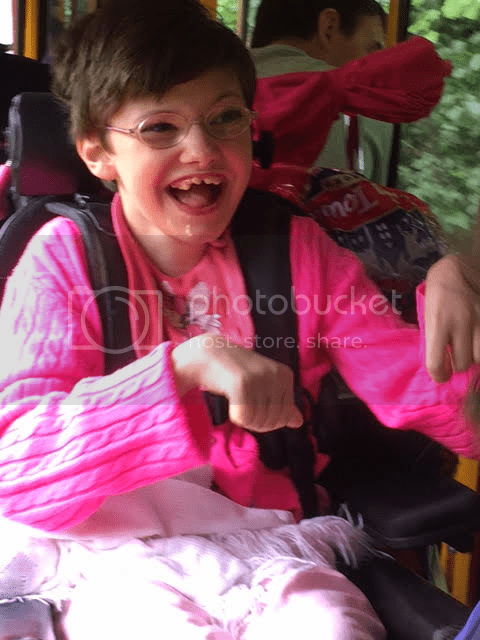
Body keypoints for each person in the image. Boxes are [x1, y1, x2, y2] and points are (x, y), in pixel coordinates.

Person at [0, 0, 479, 638]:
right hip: (110, 557)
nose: (202, 149)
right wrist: (182, 369)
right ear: (97, 153)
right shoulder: (63, 261)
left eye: (225, 118)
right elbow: (20, 471)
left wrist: (462, 283)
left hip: (272, 550)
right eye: (160, 127)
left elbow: (433, 397)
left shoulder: (297, 252)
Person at [251, 0, 430, 184]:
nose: (375, 66)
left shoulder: (234, 85)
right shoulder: (363, 108)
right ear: (329, 27)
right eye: (372, 50)